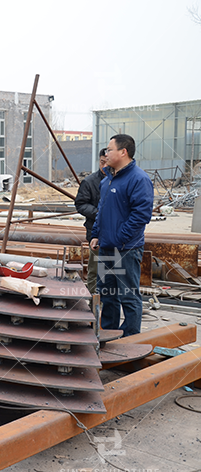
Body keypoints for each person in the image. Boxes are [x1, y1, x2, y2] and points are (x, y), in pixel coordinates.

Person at [90, 134, 153, 337]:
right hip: (107, 247)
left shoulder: (138, 179)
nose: (106, 153)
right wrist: (96, 234)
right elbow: (102, 210)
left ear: (123, 152)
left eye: (109, 149)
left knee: (128, 296)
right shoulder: (107, 179)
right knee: (108, 295)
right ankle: (109, 335)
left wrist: (120, 237)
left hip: (127, 248)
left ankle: (130, 340)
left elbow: (141, 215)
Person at [74, 148, 109, 293]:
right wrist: (98, 213)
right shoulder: (89, 182)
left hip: (116, 234)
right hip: (95, 231)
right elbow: (80, 204)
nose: (105, 166)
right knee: (95, 269)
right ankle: (93, 302)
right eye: (102, 162)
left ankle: (109, 301)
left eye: (108, 162)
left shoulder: (120, 181)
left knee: (113, 271)